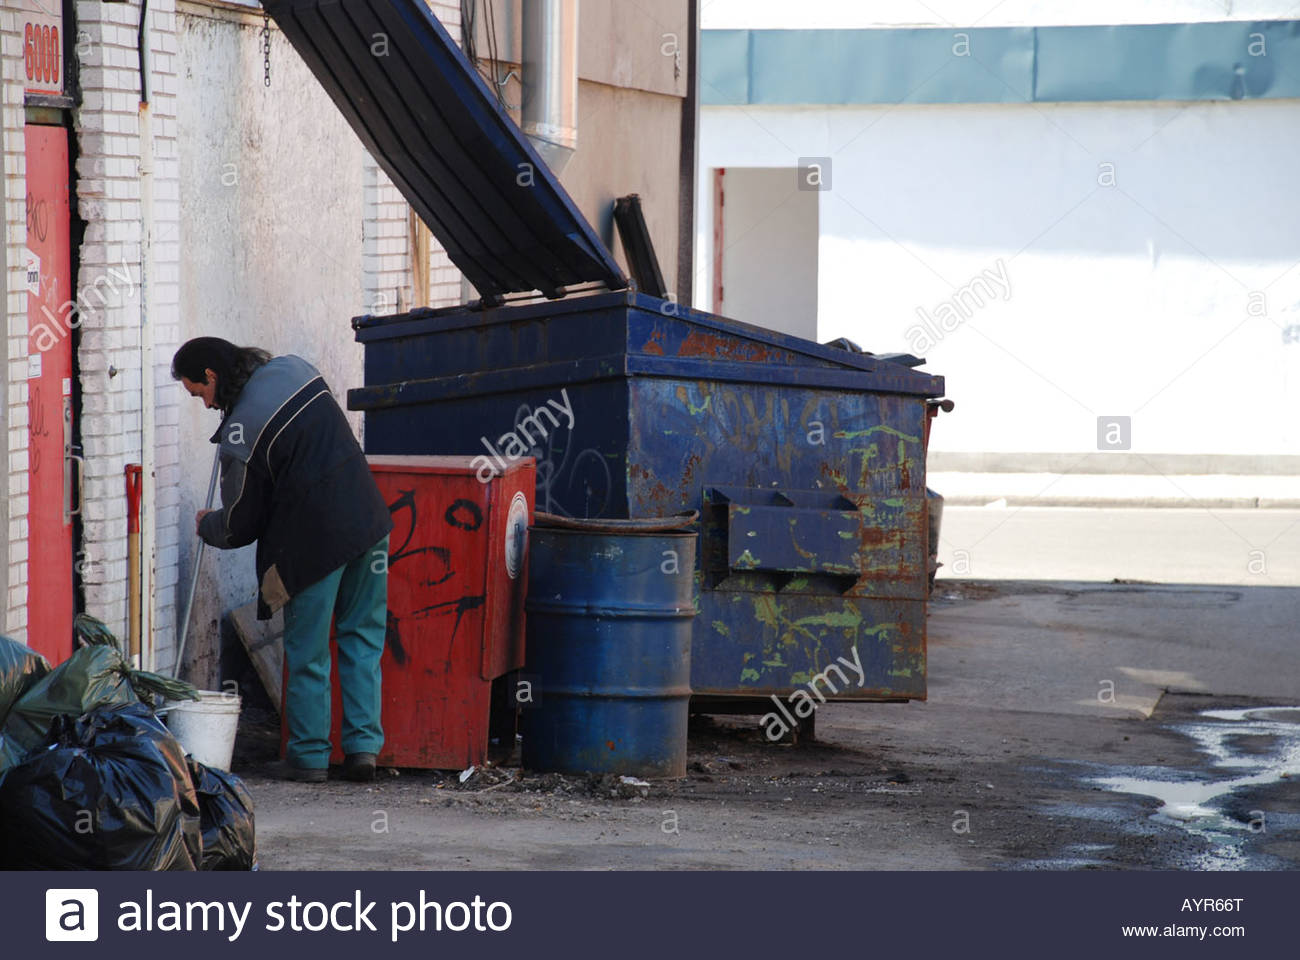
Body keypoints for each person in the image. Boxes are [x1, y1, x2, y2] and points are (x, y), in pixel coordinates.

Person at [172, 337, 393, 782]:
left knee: (307, 650)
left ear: (212, 376)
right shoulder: (296, 368)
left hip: (314, 543)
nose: (205, 404)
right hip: (368, 522)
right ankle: (363, 750)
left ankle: (309, 756)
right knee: (362, 639)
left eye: (199, 393)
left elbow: (240, 523)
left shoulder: (241, 431)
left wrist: (207, 524)